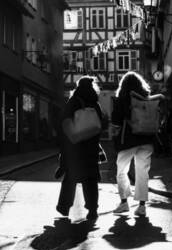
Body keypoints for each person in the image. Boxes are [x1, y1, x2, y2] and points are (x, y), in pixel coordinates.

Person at [56, 77, 107, 220]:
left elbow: (64, 120)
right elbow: (100, 124)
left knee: (71, 178)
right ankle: (92, 209)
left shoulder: (73, 102)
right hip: (91, 148)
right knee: (90, 179)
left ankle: (64, 207)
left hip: (75, 148)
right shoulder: (95, 104)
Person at [111, 71, 159, 217]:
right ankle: (142, 206)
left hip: (128, 141)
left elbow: (116, 123)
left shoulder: (122, 99)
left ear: (123, 85)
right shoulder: (147, 99)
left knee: (121, 171)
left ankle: (124, 202)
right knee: (142, 173)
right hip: (147, 139)